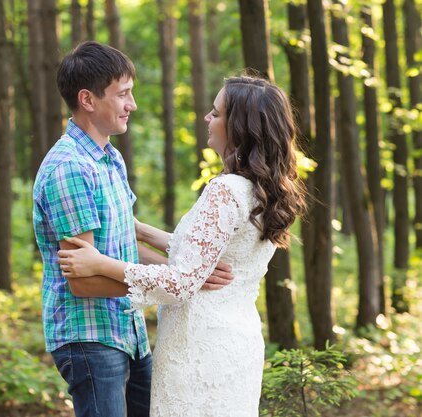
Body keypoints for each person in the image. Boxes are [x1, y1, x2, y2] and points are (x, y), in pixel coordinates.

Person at [57, 74, 307, 416]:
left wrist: (100, 264)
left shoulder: (224, 190)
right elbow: (209, 252)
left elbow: (180, 284)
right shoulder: (263, 190)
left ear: (240, 127)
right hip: (239, 340)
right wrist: (143, 231)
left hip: (199, 345)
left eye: (216, 113)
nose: (207, 118)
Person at [32, 41, 234, 417]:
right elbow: (84, 279)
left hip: (127, 330)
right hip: (90, 335)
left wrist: (187, 272)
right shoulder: (70, 168)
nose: (133, 104)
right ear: (88, 100)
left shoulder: (110, 158)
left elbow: (123, 244)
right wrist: (178, 284)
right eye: (123, 94)